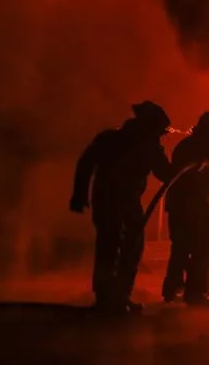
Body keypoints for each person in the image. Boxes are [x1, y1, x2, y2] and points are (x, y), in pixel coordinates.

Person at [70, 100, 172, 315]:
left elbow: (86, 163)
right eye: (160, 132)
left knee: (108, 245)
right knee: (129, 247)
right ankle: (117, 297)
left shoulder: (110, 138)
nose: (161, 136)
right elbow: (165, 173)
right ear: (151, 126)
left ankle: (109, 297)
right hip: (124, 201)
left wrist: (80, 194)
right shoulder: (147, 143)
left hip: (104, 199)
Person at [158, 111, 209, 307]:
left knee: (181, 248)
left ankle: (171, 288)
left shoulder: (185, 145)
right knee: (206, 248)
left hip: (179, 208)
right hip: (201, 209)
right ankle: (196, 293)